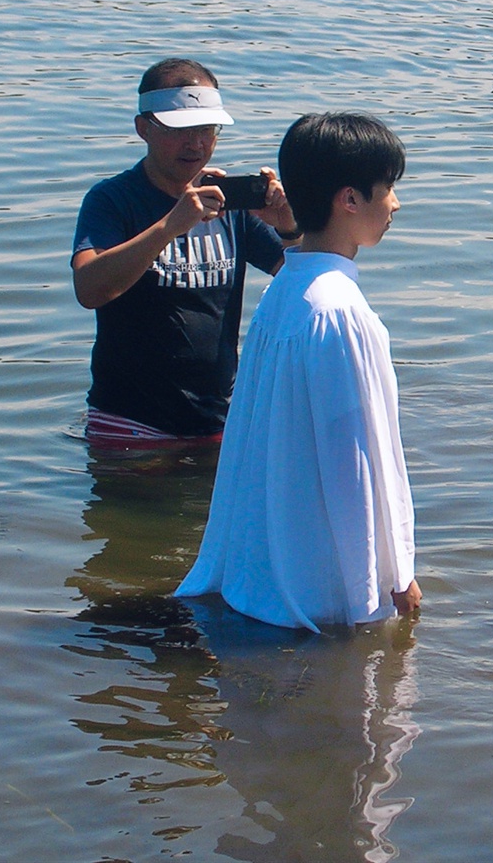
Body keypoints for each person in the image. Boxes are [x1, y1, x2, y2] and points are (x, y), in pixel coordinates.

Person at [176, 113, 421, 631]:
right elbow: (357, 456)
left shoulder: (283, 291)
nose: (395, 204)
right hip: (317, 590)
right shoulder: (340, 312)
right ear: (349, 199)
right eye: (388, 189)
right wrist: (398, 572)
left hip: (261, 572)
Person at [71, 58, 301, 445]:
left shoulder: (229, 203)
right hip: (128, 423)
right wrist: (170, 226)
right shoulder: (112, 200)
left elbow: (302, 281)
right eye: (180, 130)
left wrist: (289, 227)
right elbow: (89, 288)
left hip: (218, 419)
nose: (195, 143)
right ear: (143, 128)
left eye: (207, 129)